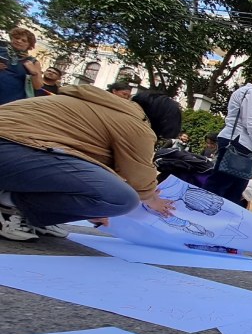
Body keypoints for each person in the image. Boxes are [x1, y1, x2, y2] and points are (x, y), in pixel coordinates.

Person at [0, 86, 179, 241]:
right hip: (12, 146)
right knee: (122, 199)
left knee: (104, 189)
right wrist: (153, 200)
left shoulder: (103, 106)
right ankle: (8, 205)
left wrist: (86, 205)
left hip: (15, 148)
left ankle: (31, 215)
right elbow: (139, 183)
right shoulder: (136, 124)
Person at [0, 27, 43, 105]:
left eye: (24, 40)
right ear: (12, 38)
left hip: (11, 101)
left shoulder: (32, 61)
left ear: (29, 45)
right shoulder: (1, 50)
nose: (19, 41)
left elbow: (38, 86)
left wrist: (34, 73)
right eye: (17, 38)